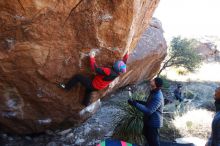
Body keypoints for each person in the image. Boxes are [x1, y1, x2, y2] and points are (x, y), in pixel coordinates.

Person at [59, 50, 129, 106]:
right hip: (98, 87)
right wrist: (126, 55)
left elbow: (95, 69)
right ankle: (85, 104)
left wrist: (92, 57)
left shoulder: (108, 71)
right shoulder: (118, 73)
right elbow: (123, 64)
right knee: (88, 90)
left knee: (78, 77)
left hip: (93, 84)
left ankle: (66, 87)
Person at [128, 77, 164, 146]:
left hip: (154, 123)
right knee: (148, 139)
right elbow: (148, 104)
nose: (151, 80)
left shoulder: (158, 96)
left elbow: (149, 111)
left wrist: (135, 104)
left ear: (156, 84)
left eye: (153, 80)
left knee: (154, 143)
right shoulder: (154, 92)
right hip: (149, 121)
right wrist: (136, 101)